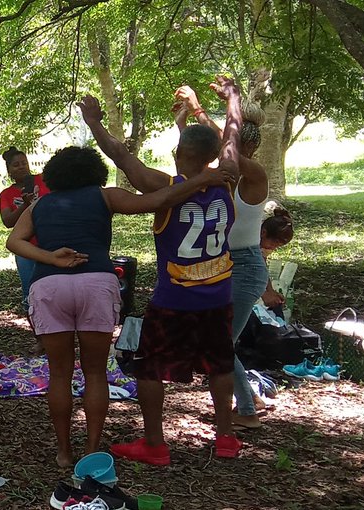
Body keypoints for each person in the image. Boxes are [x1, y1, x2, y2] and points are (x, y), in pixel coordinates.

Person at [7, 146, 231, 468]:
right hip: (97, 282)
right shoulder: (105, 196)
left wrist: (51, 257)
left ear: (55, 176)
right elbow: (158, 200)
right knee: (95, 371)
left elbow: (14, 241)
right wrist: (202, 181)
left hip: (48, 285)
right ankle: (92, 450)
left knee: (59, 373)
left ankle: (64, 452)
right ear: (93, 171)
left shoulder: (39, 205)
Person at [79, 75, 245, 465]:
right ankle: (225, 438)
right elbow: (233, 138)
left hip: (173, 298)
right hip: (219, 295)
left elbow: (121, 157)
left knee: (150, 368)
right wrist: (233, 100)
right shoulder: (227, 180)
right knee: (221, 363)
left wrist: (94, 123)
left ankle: (155, 443)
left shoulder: (163, 185)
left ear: (178, 153)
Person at [174, 85, 270, 431]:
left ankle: (246, 411)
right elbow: (193, 160)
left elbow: (219, 146)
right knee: (218, 340)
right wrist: (184, 128)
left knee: (220, 343)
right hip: (224, 266)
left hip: (244, 267)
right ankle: (251, 398)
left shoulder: (253, 175)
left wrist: (202, 109)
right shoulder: (221, 176)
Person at [0, 148, 51, 339]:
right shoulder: (7, 194)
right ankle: (40, 337)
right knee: (30, 293)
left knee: (54, 290)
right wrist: (24, 204)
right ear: (9, 171)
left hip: (51, 242)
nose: (22, 167)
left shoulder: (44, 179)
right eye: (16, 165)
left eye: (24, 162)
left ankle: (57, 335)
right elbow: (7, 221)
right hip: (25, 247)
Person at [259, 207, 295, 310]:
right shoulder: (247, 245)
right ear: (263, 233)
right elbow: (244, 272)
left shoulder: (262, 246)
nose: (273, 248)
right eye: (273, 243)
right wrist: (264, 294)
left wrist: (270, 290)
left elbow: (262, 267)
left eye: (277, 246)